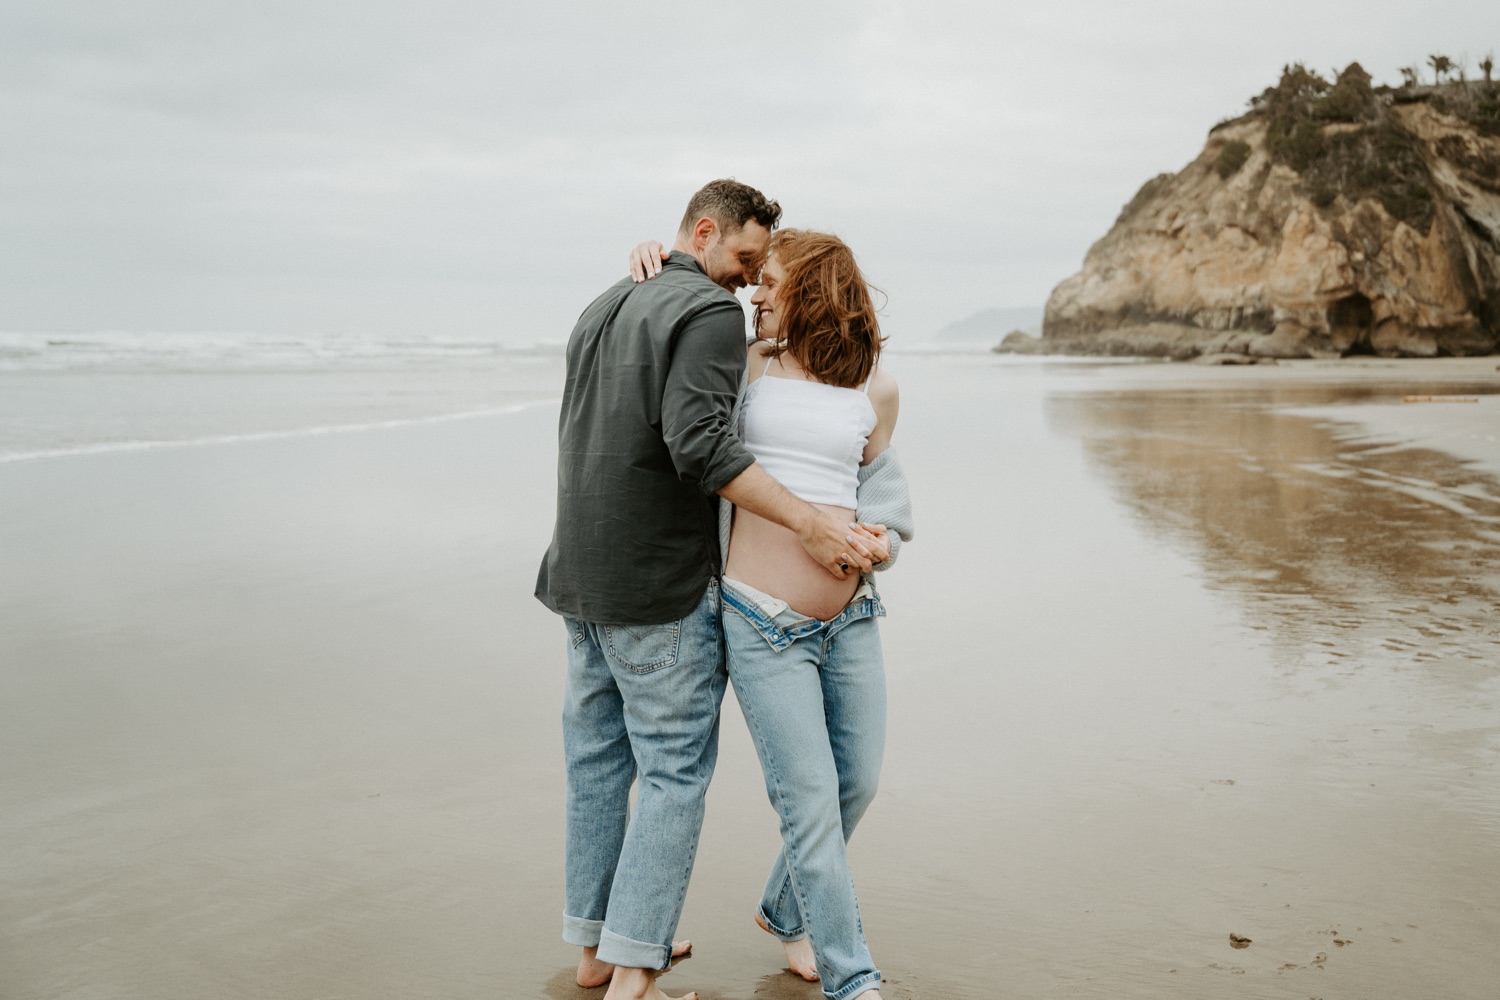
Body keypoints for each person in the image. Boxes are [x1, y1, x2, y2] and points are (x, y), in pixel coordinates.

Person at [536, 180, 881, 1000]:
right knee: (672, 774)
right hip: (656, 582)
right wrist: (809, 522)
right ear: (704, 230)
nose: (748, 282)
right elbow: (700, 446)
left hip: (581, 576)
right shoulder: (708, 314)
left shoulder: (609, 300)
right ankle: (637, 976)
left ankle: (599, 952)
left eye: (763, 270)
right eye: (744, 258)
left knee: (596, 766)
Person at [629, 229, 914, 1000]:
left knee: (857, 782)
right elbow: (696, 426)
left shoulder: (875, 389)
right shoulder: (746, 363)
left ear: (816, 290)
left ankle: (786, 909)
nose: (755, 292)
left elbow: (881, 491)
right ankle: (853, 981)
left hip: (852, 617)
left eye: (772, 281)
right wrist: (653, 266)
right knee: (811, 802)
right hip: (760, 622)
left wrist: (884, 539)